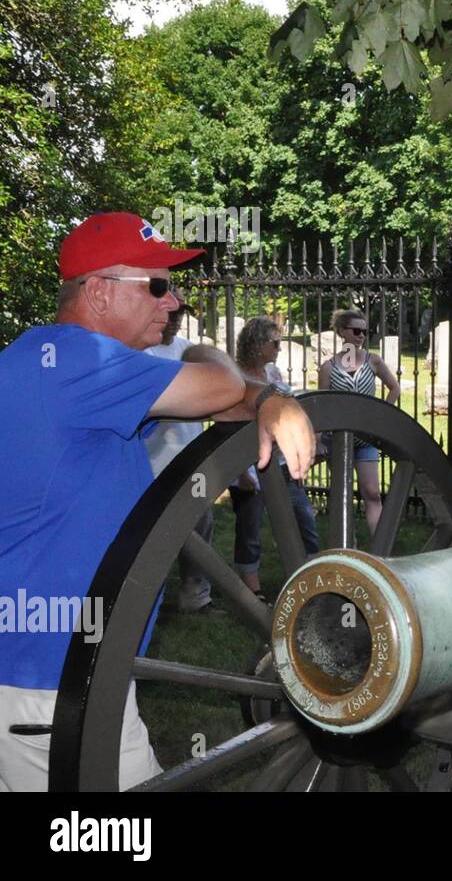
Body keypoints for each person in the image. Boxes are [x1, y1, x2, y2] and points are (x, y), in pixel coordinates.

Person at [0, 212, 315, 791]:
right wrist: (265, 392)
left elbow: (215, 402)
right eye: (157, 285)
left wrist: (233, 384)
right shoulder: (80, 365)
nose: (172, 303)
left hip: (39, 671)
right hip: (52, 684)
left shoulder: (50, 364)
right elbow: (223, 388)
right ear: (97, 291)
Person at [229, 317, 320, 600]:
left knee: (304, 516)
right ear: (257, 344)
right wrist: (242, 473)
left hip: (279, 464)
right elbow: (229, 428)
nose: (279, 348)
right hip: (247, 465)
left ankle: (313, 576)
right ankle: (252, 588)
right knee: (250, 527)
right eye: (275, 343)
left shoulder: (273, 373)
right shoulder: (233, 376)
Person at [143, 289, 218, 614]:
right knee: (151, 539)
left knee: (200, 529)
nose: (175, 321)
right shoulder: (142, 352)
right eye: (171, 314)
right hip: (152, 464)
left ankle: (195, 597)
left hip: (191, 461)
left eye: (180, 315)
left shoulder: (188, 350)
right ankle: (146, 602)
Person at [317, 308, 401, 535]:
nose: (361, 336)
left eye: (365, 331)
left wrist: (382, 415)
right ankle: (347, 543)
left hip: (366, 438)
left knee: (372, 491)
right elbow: (321, 406)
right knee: (342, 494)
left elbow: (394, 388)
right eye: (356, 331)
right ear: (342, 332)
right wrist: (317, 440)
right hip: (337, 438)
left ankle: (379, 545)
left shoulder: (373, 361)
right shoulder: (328, 367)